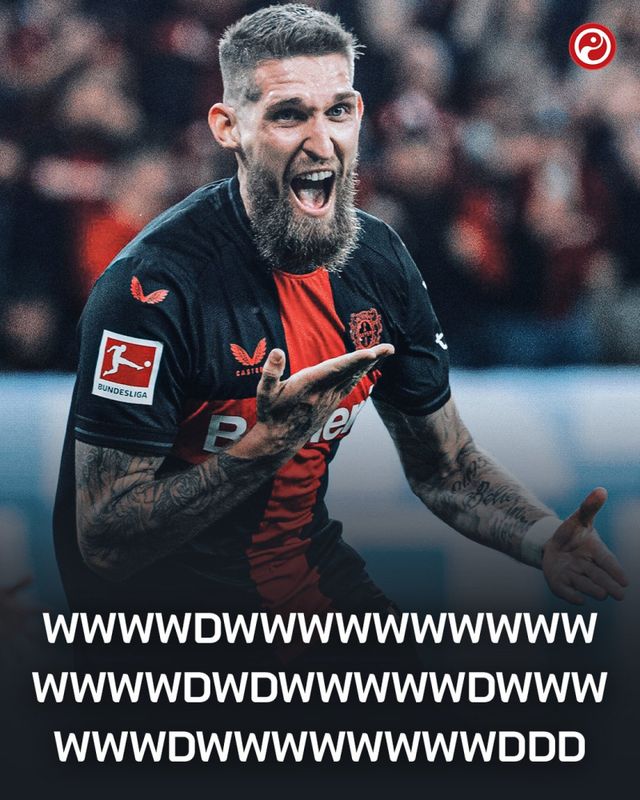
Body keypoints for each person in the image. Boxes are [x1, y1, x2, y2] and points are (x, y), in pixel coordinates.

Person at [53, 4, 627, 671]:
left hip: (313, 596)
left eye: (339, 111)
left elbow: (445, 466)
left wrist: (541, 538)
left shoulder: (378, 265)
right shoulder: (151, 290)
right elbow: (106, 540)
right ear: (229, 127)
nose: (322, 141)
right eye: (289, 114)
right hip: (164, 637)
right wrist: (261, 450)